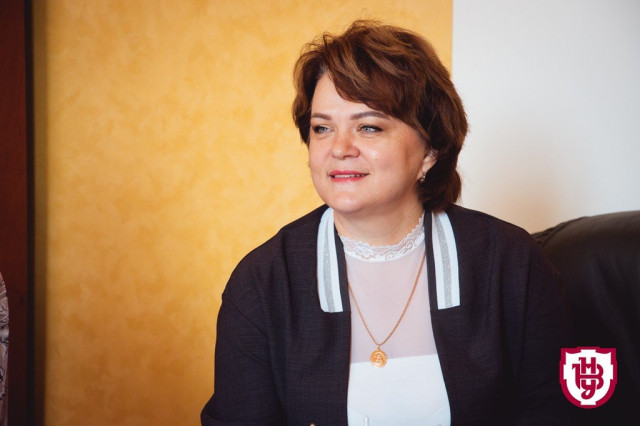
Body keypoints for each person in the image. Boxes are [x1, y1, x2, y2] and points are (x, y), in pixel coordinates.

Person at [201, 20, 571, 425]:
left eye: (368, 127)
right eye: (322, 128)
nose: (339, 148)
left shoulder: (511, 262)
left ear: (430, 150)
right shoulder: (263, 281)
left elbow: (554, 412)